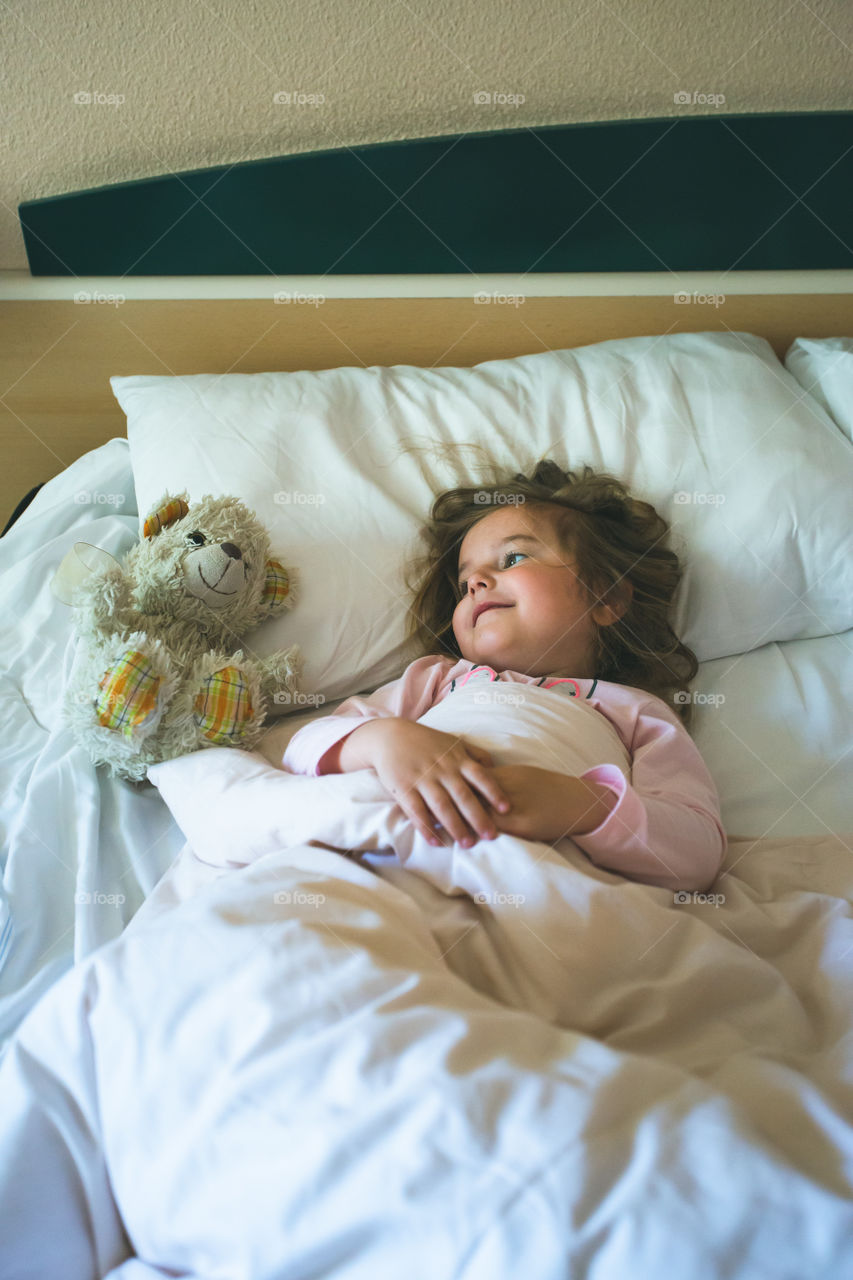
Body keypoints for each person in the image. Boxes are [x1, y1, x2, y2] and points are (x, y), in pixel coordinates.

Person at [284, 459, 726, 892]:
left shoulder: (635, 712)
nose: (476, 581)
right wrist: (384, 740)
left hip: (537, 883)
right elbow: (303, 748)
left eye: (512, 558)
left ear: (606, 597)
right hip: (392, 855)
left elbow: (698, 851)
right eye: (463, 584)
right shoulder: (438, 680)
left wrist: (582, 805)